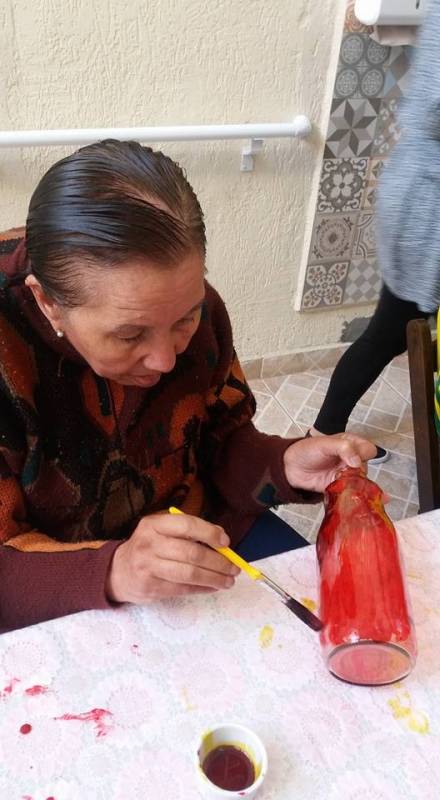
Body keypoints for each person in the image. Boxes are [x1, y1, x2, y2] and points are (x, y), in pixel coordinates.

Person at [0, 140, 375, 633]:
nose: (166, 358)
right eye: (130, 334)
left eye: (185, 319)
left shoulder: (193, 307)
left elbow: (218, 439)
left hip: (197, 531)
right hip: (51, 578)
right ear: (47, 303)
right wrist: (116, 569)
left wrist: (282, 463)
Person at [311, 0, 440, 460]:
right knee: (390, 330)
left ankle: (324, 431)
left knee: (391, 329)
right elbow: (431, 107)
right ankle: (324, 434)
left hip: (422, 194)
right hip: (428, 205)